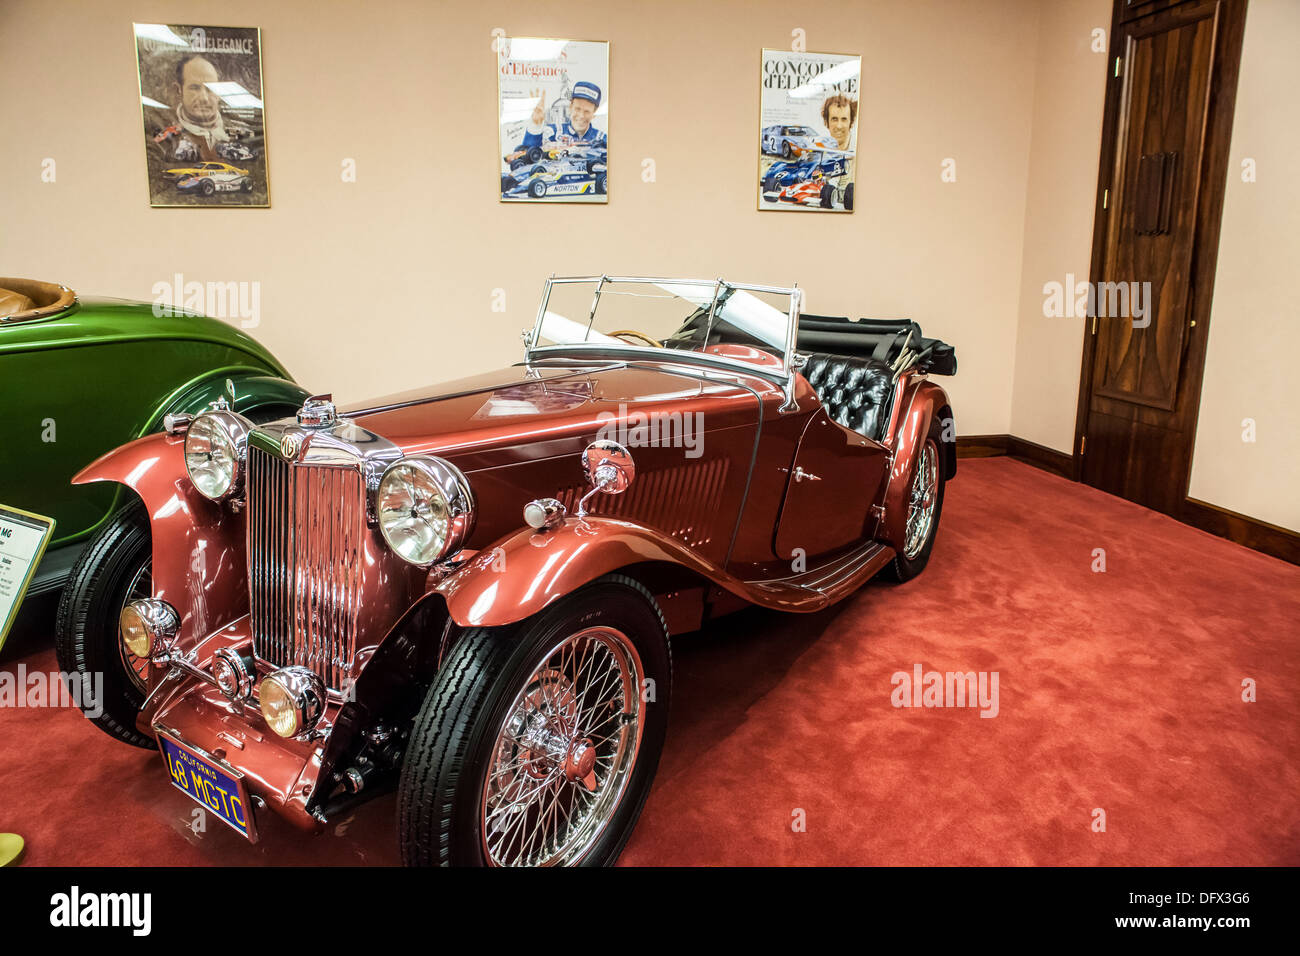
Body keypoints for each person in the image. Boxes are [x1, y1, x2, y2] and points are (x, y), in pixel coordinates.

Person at [507, 80, 606, 163]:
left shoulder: (603, 139)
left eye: (587, 111)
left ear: (594, 113)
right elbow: (527, 155)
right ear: (571, 106)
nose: (581, 116)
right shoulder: (552, 131)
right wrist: (536, 125)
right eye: (577, 109)